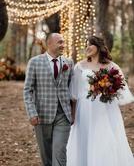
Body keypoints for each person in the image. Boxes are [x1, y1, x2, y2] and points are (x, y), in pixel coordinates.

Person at [67, 35, 134, 166]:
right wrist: (73, 115)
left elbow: (120, 88)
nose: (87, 47)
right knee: (86, 138)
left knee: (104, 138)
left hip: (105, 109)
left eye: (90, 44)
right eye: (86, 44)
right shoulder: (79, 66)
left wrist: (109, 89)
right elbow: (74, 94)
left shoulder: (111, 66)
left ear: (98, 46)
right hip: (85, 109)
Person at [23, 33, 74, 166]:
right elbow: (28, 90)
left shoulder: (69, 63)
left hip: (64, 115)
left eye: (63, 42)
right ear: (50, 44)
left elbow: (72, 89)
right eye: (60, 42)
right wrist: (32, 113)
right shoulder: (34, 62)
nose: (63, 45)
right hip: (41, 115)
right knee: (46, 156)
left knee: (59, 152)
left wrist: (73, 112)